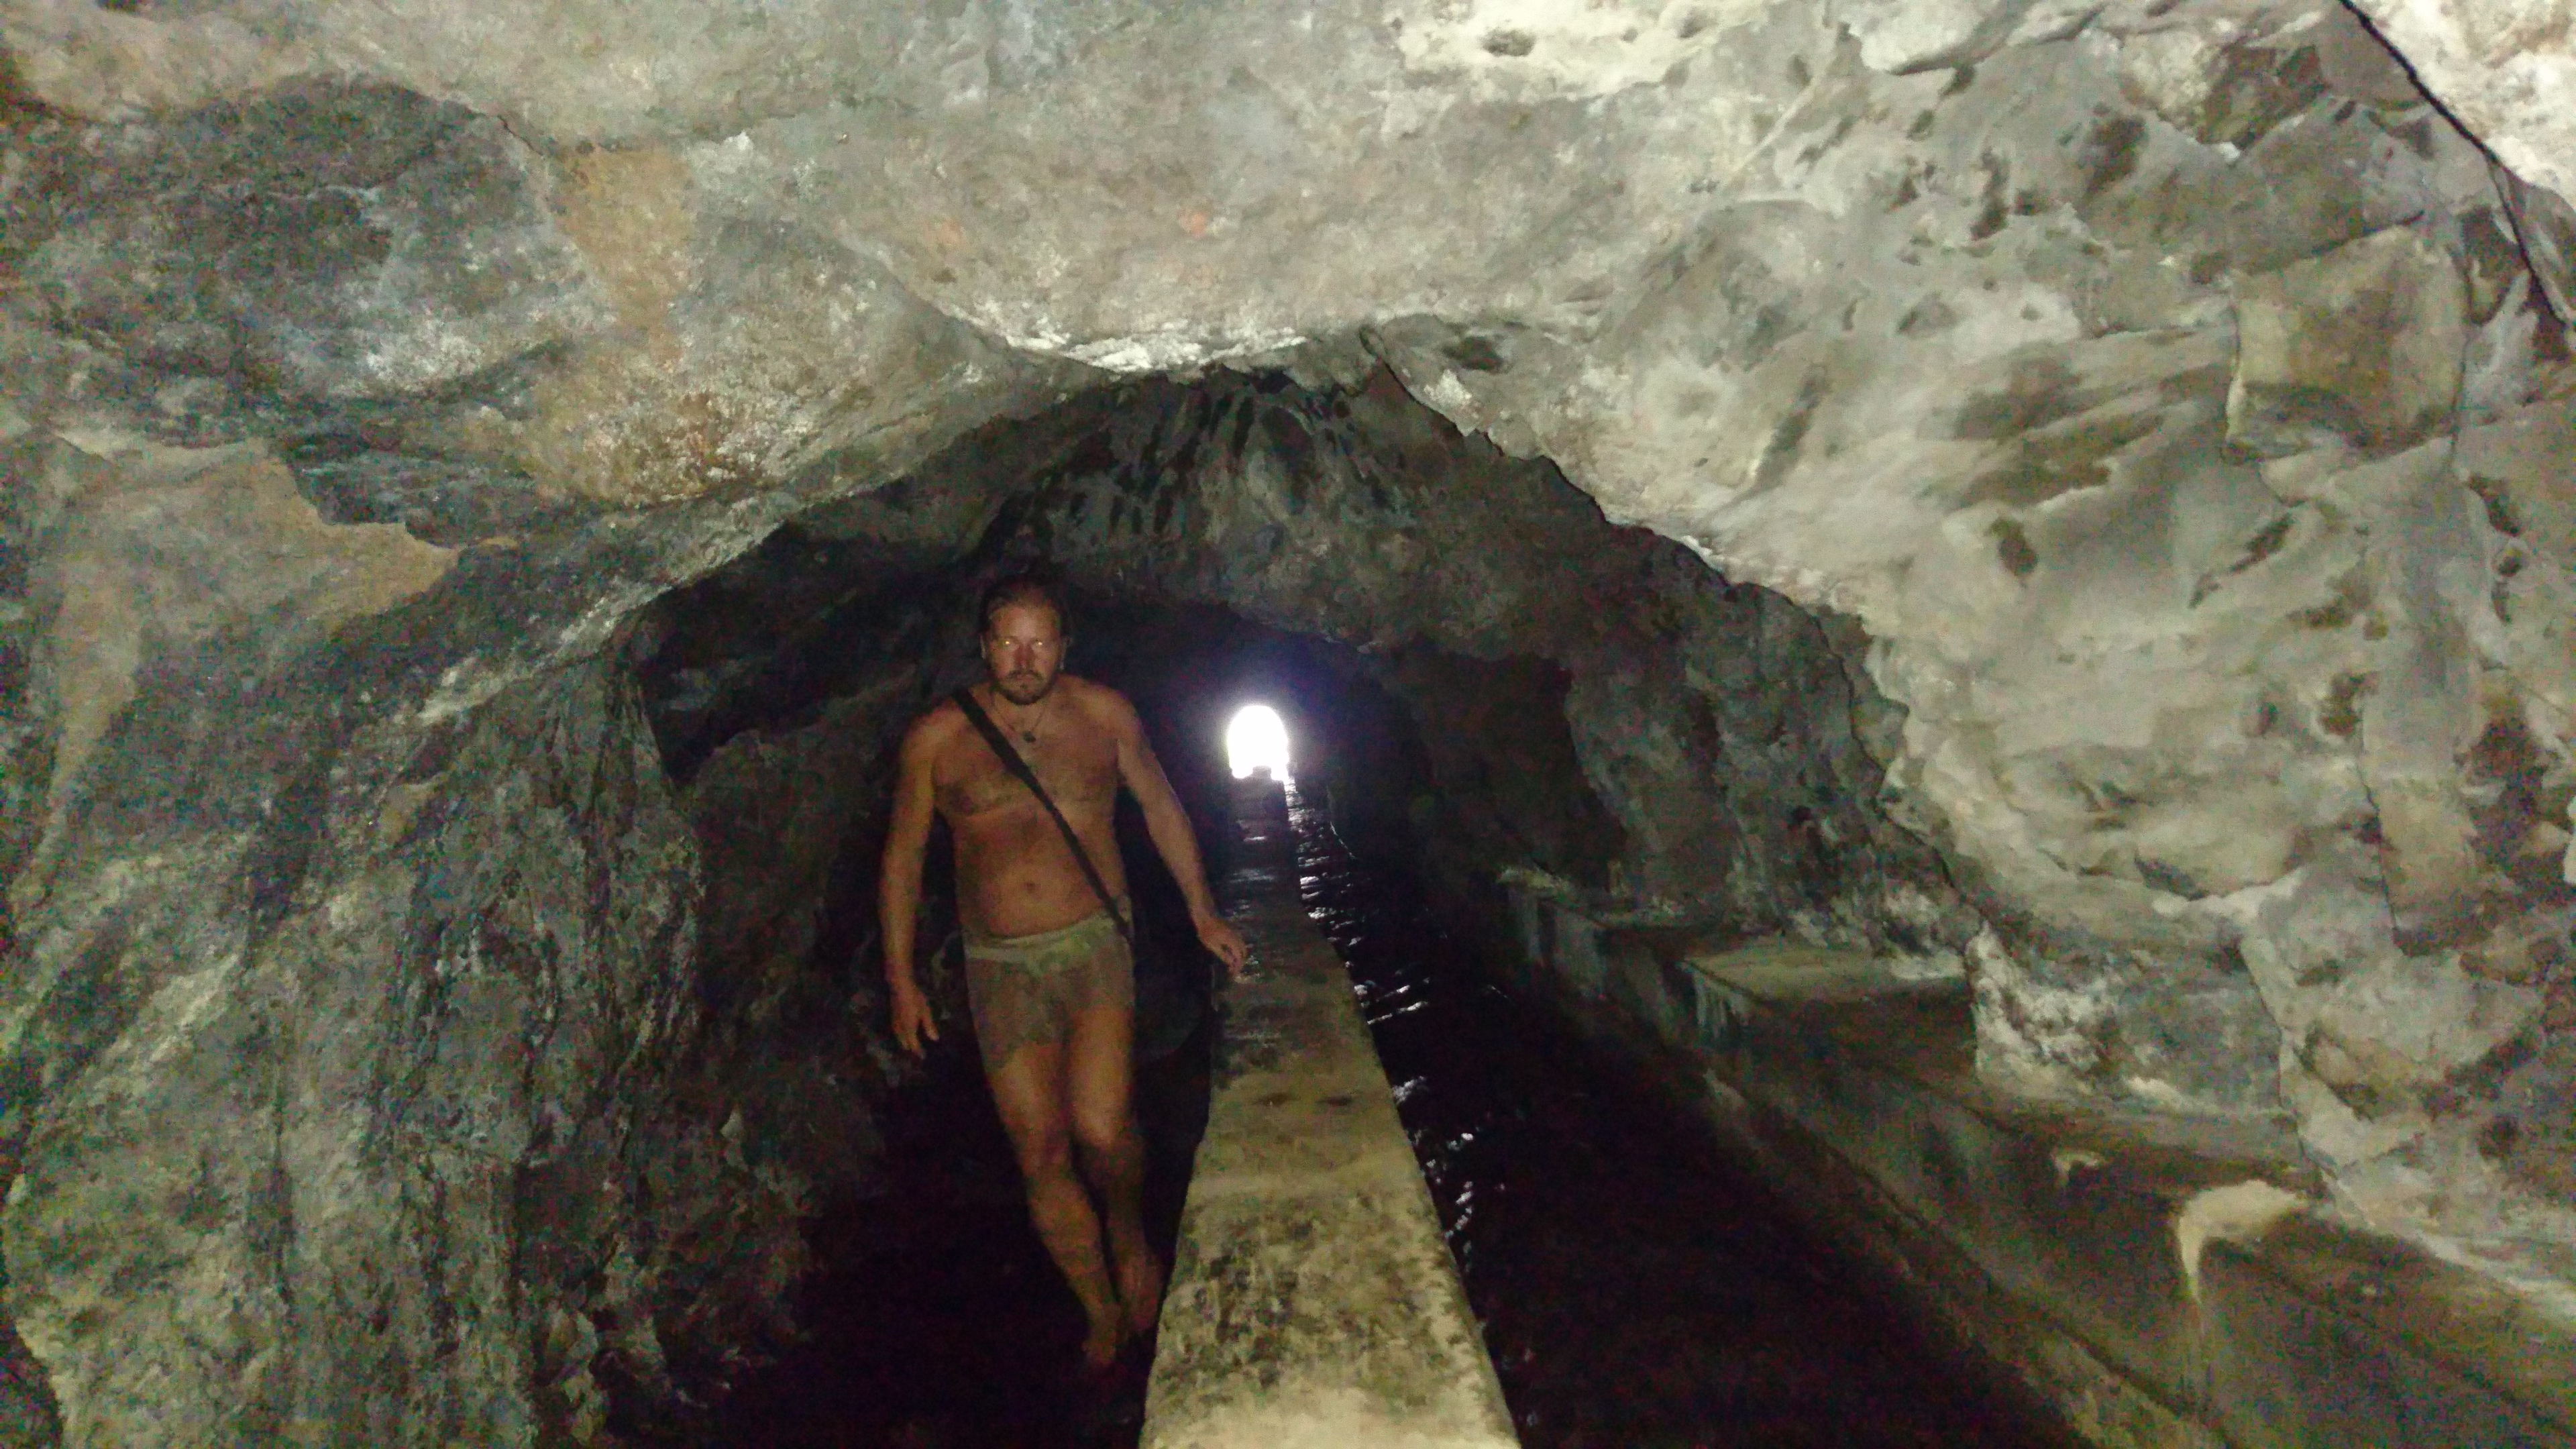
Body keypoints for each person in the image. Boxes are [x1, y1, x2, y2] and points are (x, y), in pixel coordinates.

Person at [877, 574, 1250, 1371]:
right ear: (985, 647)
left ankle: (1127, 1228)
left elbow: (1160, 804)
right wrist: (901, 980)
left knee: (1103, 1130)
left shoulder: (1105, 716)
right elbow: (903, 858)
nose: (1024, 659)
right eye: (1009, 643)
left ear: (1063, 647)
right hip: (1000, 966)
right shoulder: (937, 739)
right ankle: (1099, 1309)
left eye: (1039, 642)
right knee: (1040, 1154)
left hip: (1093, 948)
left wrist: (1202, 911)